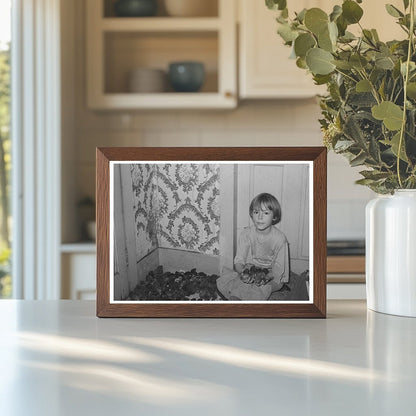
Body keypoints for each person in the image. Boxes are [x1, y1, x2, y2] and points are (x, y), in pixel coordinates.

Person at [217, 192, 289, 300]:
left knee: (260, 289)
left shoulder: (280, 239)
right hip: (250, 270)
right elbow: (239, 261)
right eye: (256, 212)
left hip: (271, 275)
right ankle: (239, 296)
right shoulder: (246, 234)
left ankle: (247, 298)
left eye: (265, 213)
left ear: (274, 216)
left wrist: (265, 277)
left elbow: (278, 270)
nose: (260, 217)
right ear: (252, 214)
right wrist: (244, 273)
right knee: (232, 281)